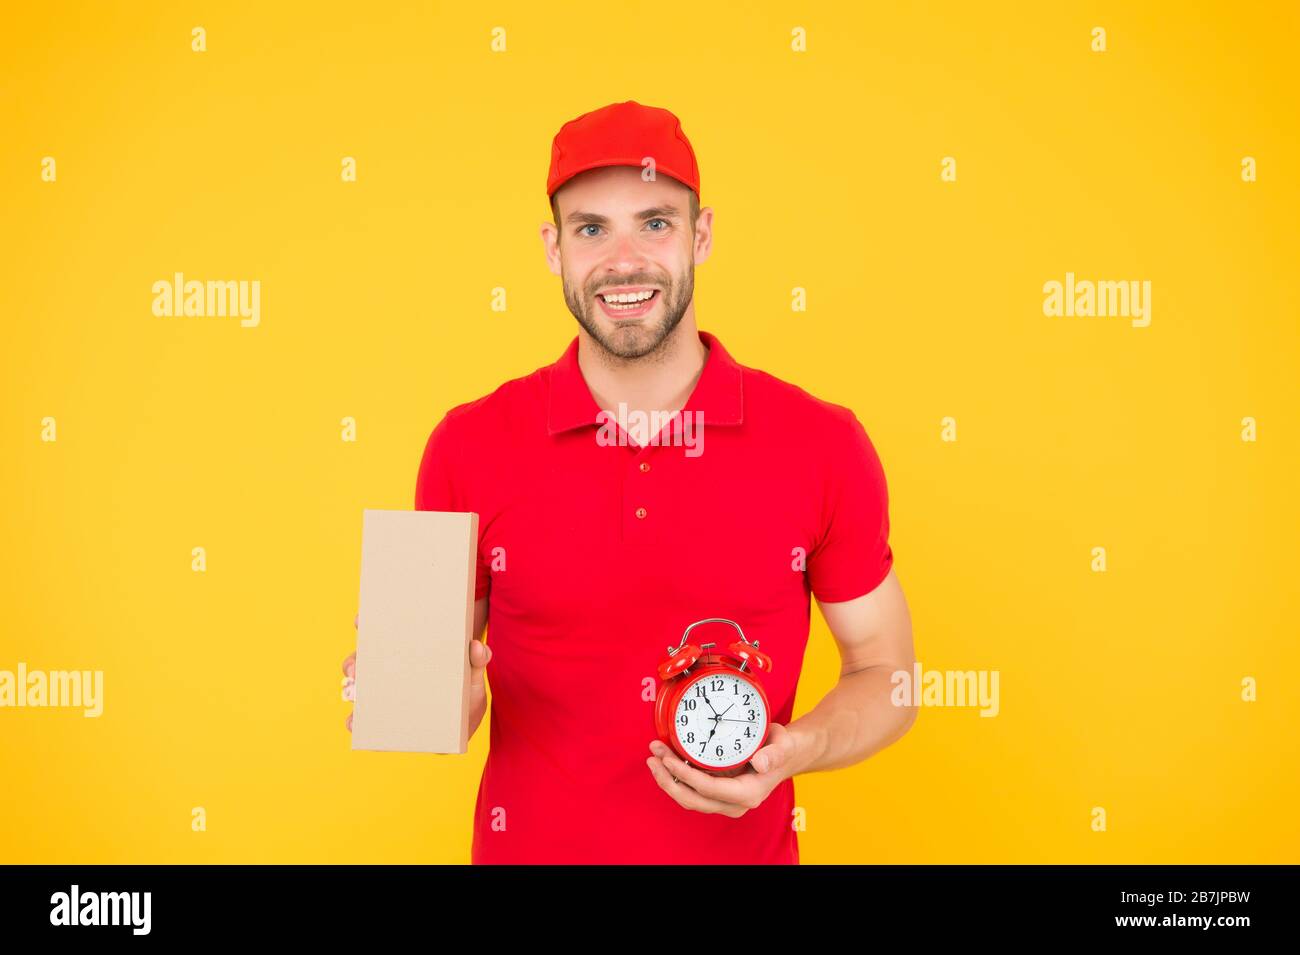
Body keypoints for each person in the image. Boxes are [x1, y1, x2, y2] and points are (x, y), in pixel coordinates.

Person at [342, 100, 917, 864]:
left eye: (655, 222)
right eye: (590, 229)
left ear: (701, 235)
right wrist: (428, 699)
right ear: (552, 248)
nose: (623, 260)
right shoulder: (466, 445)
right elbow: (435, 698)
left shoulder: (823, 442)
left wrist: (795, 748)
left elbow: (887, 672)